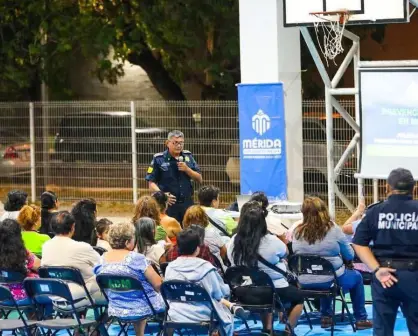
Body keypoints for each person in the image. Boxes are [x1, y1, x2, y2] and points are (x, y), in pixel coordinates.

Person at [353, 168, 418, 336]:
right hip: (414, 276)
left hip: (384, 276)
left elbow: (359, 243)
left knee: (382, 330)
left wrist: (376, 269)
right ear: (414, 188)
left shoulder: (375, 211)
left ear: (386, 188)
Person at [291, 196, 372, 330]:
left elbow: (295, 252)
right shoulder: (333, 229)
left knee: (323, 272)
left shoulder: (297, 232)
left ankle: (326, 317)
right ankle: (361, 319)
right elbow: (350, 254)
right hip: (331, 280)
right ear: (324, 210)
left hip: (304, 281)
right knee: (356, 277)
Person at [227, 203, 304, 334]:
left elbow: (230, 259)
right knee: (299, 297)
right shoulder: (271, 240)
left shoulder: (233, 241)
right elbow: (285, 252)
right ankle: (288, 330)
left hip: (242, 292)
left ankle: (267, 328)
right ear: (263, 222)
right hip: (272, 292)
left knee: (262, 282)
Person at [164, 229, 249, 336]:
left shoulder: (170, 267)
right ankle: (228, 316)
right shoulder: (205, 268)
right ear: (197, 248)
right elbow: (220, 293)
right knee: (219, 301)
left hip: (176, 313)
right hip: (203, 314)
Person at [94, 222, 165, 336]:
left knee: (135, 293)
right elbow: (158, 285)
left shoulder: (101, 260)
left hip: (115, 308)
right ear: (127, 242)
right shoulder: (137, 259)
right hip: (142, 307)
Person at [41, 211, 102, 300]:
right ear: (73, 227)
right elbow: (101, 265)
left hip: (54, 295)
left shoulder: (46, 246)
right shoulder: (82, 247)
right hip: (79, 295)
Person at [145, 130, 203, 224]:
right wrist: (163, 195)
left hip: (187, 204)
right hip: (168, 204)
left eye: (181, 143)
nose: (179, 146)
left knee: (189, 232)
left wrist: (187, 169)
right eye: (175, 143)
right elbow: (151, 183)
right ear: (167, 143)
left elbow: (199, 179)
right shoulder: (159, 159)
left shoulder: (188, 157)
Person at [0, 219, 40, 302]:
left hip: (2, 293)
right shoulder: (23, 253)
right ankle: (36, 315)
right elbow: (40, 266)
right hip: (23, 294)